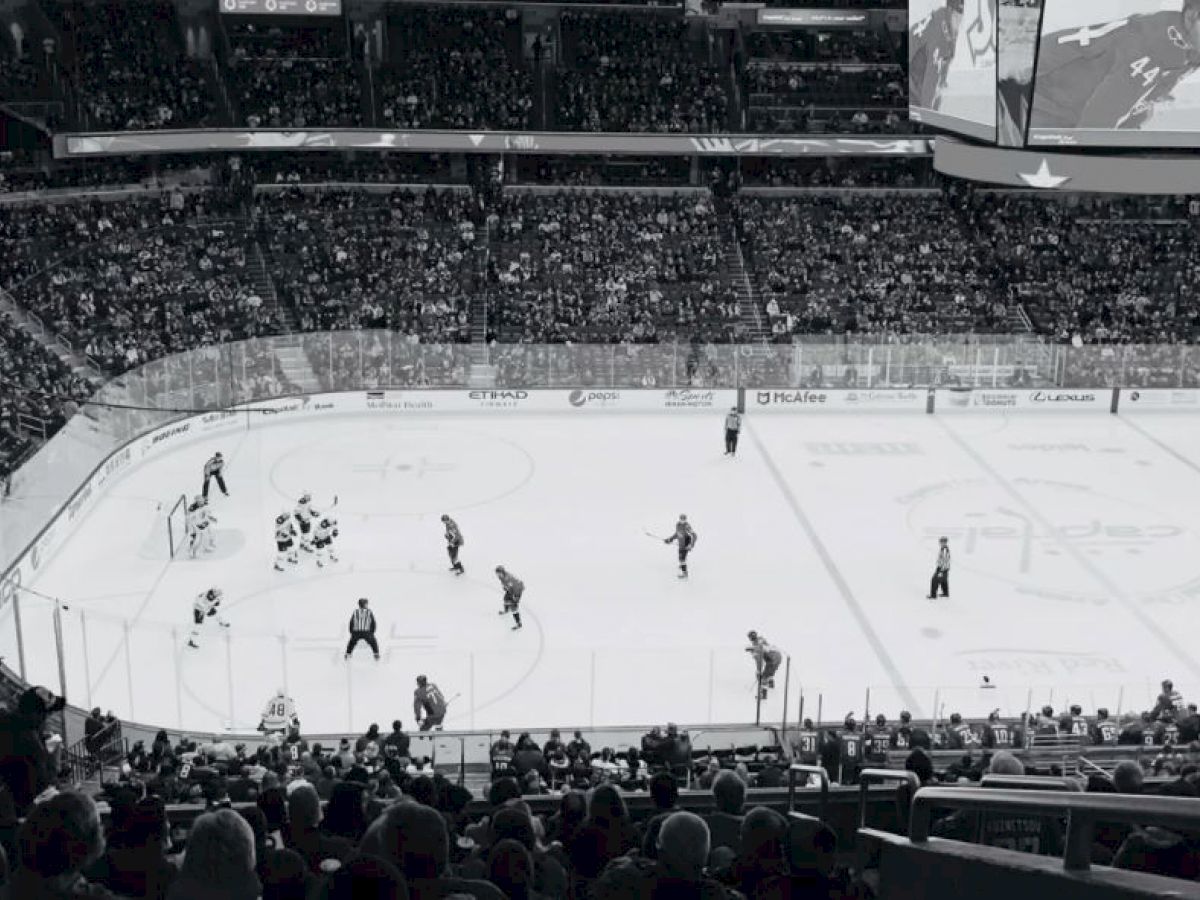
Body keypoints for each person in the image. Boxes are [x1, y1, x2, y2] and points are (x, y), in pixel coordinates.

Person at [1031, 0, 1200, 131]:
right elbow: (1097, 125)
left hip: (1066, 107)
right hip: (1039, 100)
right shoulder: (1153, 49)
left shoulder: (1187, 41)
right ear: (1191, 16)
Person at [909, 0, 964, 111]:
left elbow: (946, 61)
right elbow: (931, 75)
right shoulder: (939, 35)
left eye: (961, 16)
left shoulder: (944, 20)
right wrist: (928, 113)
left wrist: (942, 82)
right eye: (956, 16)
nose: (959, 21)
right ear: (950, 11)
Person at [746, 630, 781, 697]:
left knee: (764, 677)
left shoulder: (756, 649)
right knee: (770, 670)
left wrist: (759, 671)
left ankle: (763, 694)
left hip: (772, 659)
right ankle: (771, 683)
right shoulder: (761, 640)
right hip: (778, 656)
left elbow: (759, 662)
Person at [664, 514, 697, 579]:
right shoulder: (678, 525)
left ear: (686, 519)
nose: (682, 520)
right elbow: (677, 534)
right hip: (680, 544)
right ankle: (682, 565)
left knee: (682, 559)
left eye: (684, 519)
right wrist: (670, 539)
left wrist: (691, 545)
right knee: (681, 558)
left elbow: (694, 536)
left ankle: (685, 574)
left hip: (686, 544)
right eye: (681, 519)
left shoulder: (687, 526)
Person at [495, 566, 524, 631]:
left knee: (513, 607)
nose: (498, 575)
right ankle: (506, 610)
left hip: (517, 591)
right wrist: (506, 587)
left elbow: (517, 586)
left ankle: (518, 623)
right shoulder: (502, 577)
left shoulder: (508, 578)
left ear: (502, 572)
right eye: (497, 574)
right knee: (505, 599)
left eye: (499, 573)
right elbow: (506, 584)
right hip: (511, 589)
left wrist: (516, 596)